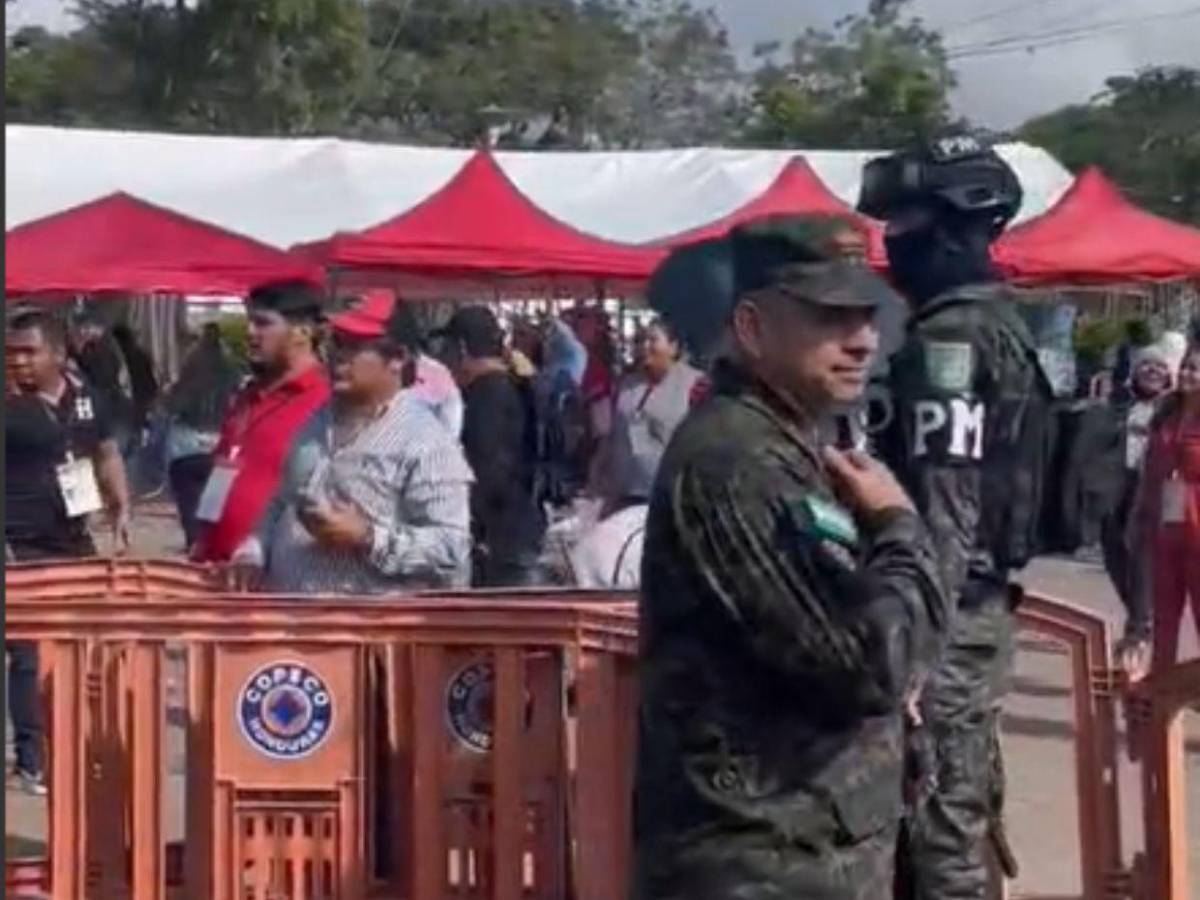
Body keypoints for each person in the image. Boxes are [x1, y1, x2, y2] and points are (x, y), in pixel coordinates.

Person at [634, 216, 950, 899]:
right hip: (763, 858)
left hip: (803, 846)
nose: (863, 340)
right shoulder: (738, 461)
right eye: (832, 317)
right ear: (752, 328)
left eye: (867, 316)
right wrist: (899, 528)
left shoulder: (788, 444)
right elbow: (868, 666)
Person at [858, 136, 1056, 899]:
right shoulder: (1001, 326)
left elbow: (946, 508)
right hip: (974, 613)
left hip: (947, 620)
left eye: (906, 222)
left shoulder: (951, 339)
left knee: (938, 832)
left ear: (955, 225)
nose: (892, 241)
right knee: (958, 807)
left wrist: (913, 649)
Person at [231, 298, 474, 593]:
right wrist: (253, 553)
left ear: (397, 358)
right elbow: (281, 501)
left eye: (354, 347)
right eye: (336, 343)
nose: (338, 357)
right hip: (291, 620)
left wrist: (368, 537)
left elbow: (452, 548)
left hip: (367, 628)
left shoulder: (426, 443)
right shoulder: (316, 423)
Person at [5, 307, 132, 794]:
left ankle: (76, 743)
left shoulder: (87, 401)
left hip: (74, 542)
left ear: (58, 353)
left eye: (28, 352)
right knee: (30, 654)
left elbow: (106, 452)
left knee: (83, 645)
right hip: (18, 547)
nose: (18, 362)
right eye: (11, 353)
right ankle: (33, 760)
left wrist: (120, 507)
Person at [191, 281, 331, 563]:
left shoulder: (325, 401)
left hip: (276, 574)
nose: (250, 333)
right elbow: (221, 471)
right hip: (218, 568)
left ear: (302, 332)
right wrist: (202, 538)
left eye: (263, 323)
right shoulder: (247, 396)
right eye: (249, 322)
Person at [437, 306, 545, 587]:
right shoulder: (515, 386)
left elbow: (487, 471)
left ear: (461, 348)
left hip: (500, 542)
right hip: (518, 529)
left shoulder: (487, 396)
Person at [1099, 344, 1173, 672]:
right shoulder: (1117, 401)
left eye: (1160, 367)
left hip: (1159, 488)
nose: (1153, 371)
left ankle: (1139, 629)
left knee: (1143, 555)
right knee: (1114, 553)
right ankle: (1140, 619)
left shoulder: (1173, 406)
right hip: (1118, 481)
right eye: (1147, 365)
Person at [1130, 344, 1200, 672]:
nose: (1187, 374)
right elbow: (1150, 470)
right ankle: (1159, 702)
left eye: (1196, 369)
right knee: (1164, 619)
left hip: (1197, 533)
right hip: (1164, 529)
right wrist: (1141, 514)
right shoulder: (1166, 412)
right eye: (1186, 366)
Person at [595, 317, 701, 511]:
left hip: (671, 498)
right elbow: (610, 436)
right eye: (640, 340)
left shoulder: (695, 386)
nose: (644, 346)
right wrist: (596, 478)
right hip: (625, 494)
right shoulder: (625, 384)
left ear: (673, 347)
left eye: (652, 340)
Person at [162, 323, 242, 549]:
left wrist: (168, 396)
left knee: (188, 498)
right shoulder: (232, 372)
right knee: (215, 502)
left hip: (186, 443)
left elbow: (173, 405)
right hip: (221, 441)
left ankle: (193, 541)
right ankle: (210, 543)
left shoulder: (191, 370)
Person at [111, 323, 160, 435]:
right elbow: (152, 385)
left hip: (125, 410)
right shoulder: (142, 355)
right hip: (141, 405)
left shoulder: (117, 358)